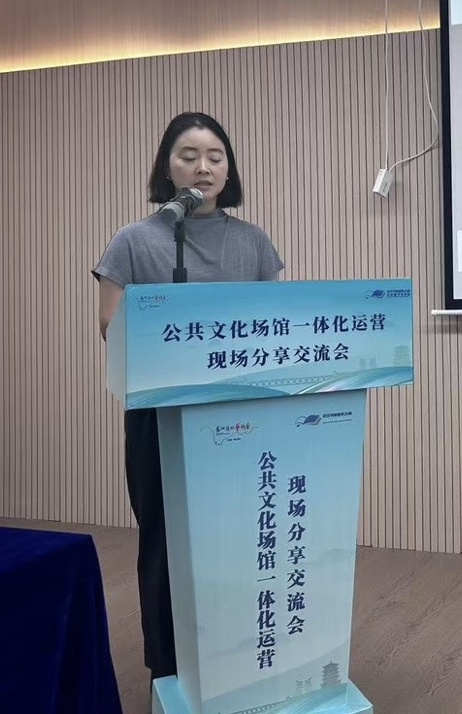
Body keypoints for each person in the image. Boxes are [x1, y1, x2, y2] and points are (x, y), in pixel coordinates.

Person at [93, 111, 284, 682]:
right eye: (189, 155)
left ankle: (238, 655)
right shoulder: (134, 241)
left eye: (215, 156)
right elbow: (111, 327)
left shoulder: (254, 242)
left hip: (239, 413)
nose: (203, 166)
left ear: (229, 169)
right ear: (167, 166)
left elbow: (275, 326)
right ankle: (169, 668)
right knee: (165, 540)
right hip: (160, 418)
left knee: (239, 532)